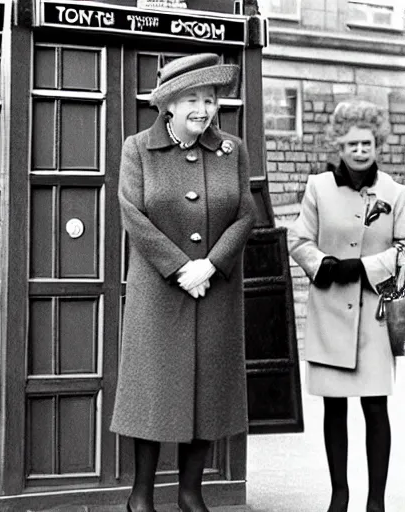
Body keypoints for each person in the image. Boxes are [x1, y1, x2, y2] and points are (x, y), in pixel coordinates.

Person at [110, 53, 257, 512]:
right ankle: (141, 497)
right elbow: (132, 214)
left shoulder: (232, 149)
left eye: (210, 99)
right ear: (168, 104)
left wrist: (211, 265)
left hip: (215, 288)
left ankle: (191, 494)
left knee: (208, 392)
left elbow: (247, 214)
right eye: (192, 98)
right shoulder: (138, 148)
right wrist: (179, 267)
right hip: (159, 291)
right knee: (152, 393)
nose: (203, 108)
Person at [289, 99, 405, 512]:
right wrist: (326, 265)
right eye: (352, 143)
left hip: (373, 319)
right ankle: (339, 495)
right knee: (334, 409)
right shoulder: (317, 188)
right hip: (330, 314)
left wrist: (366, 266)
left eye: (368, 143)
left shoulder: (395, 192)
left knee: (376, 407)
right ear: (338, 147)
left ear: (379, 145)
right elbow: (299, 239)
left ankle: (376, 502)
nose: (360, 150)